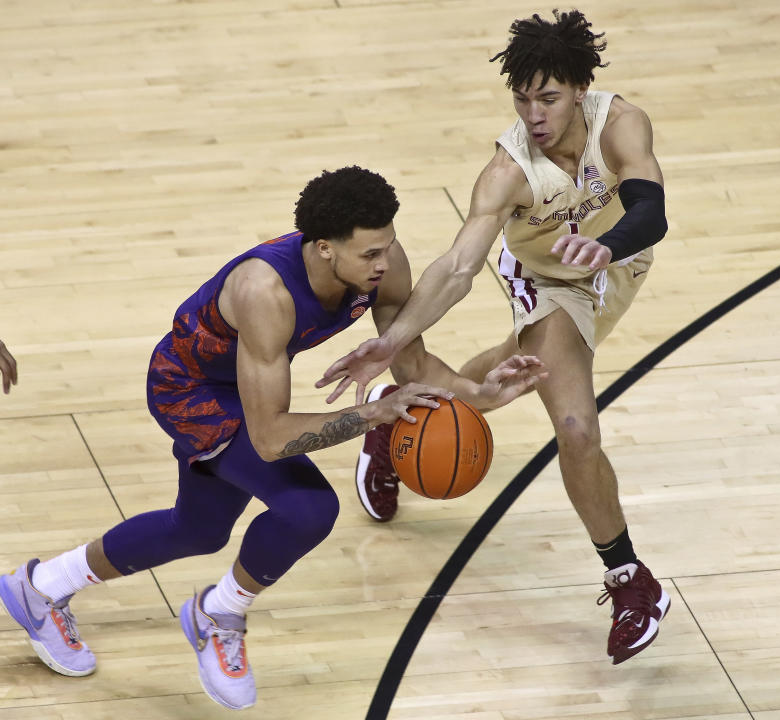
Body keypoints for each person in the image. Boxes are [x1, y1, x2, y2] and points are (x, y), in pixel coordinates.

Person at [0, 166, 545, 710]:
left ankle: (40, 586)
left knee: (199, 530)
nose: (385, 263)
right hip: (191, 391)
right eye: (369, 255)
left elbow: (415, 365)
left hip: (246, 387)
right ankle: (220, 612)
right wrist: (373, 415)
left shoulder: (383, 267)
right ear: (325, 249)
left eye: (389, 246)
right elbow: (267, 439)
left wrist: (480, 394)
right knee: (308, 508)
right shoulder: (266, 292)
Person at [319, 10, 670, 665]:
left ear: (579, 88)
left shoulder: (622, 124)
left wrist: (605, 246)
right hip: (548, 278)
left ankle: (405, 422)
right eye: (522, 98)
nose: (534, 113)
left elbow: (651, 211)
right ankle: (630, 580)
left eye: (549, 97)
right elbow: (456, 269)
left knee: (506, 375)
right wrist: (393, 342)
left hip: (615, 262)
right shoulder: (509, 170)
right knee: (575, 426)